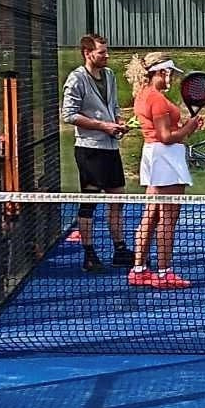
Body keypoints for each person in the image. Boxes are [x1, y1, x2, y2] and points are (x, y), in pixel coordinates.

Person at [126, 52, 203, 289]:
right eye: (169, 73)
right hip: (165, 158)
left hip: (154, 156)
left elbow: (162, 131)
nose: (171, 78)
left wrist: (184, 127)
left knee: (151, 215)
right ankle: (164, 273)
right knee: (168, 219)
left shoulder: (143, 95)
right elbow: (166, 137)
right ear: (161, 72)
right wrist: (188, 128)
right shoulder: (156, 99)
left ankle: (138, 270)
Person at [61, 33, 135, 272]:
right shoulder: (76, 79)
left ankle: (120, 249)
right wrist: (102, 126)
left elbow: (113, 107)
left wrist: (120, 123)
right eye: (102, 52)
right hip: (89, 150)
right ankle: (89, 253)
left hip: (110, 149)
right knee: (89, 202)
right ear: (87, 53)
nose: (106, 55)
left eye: (106, 51)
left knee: (118, 198)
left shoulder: (110, 76)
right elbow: (69, 114)